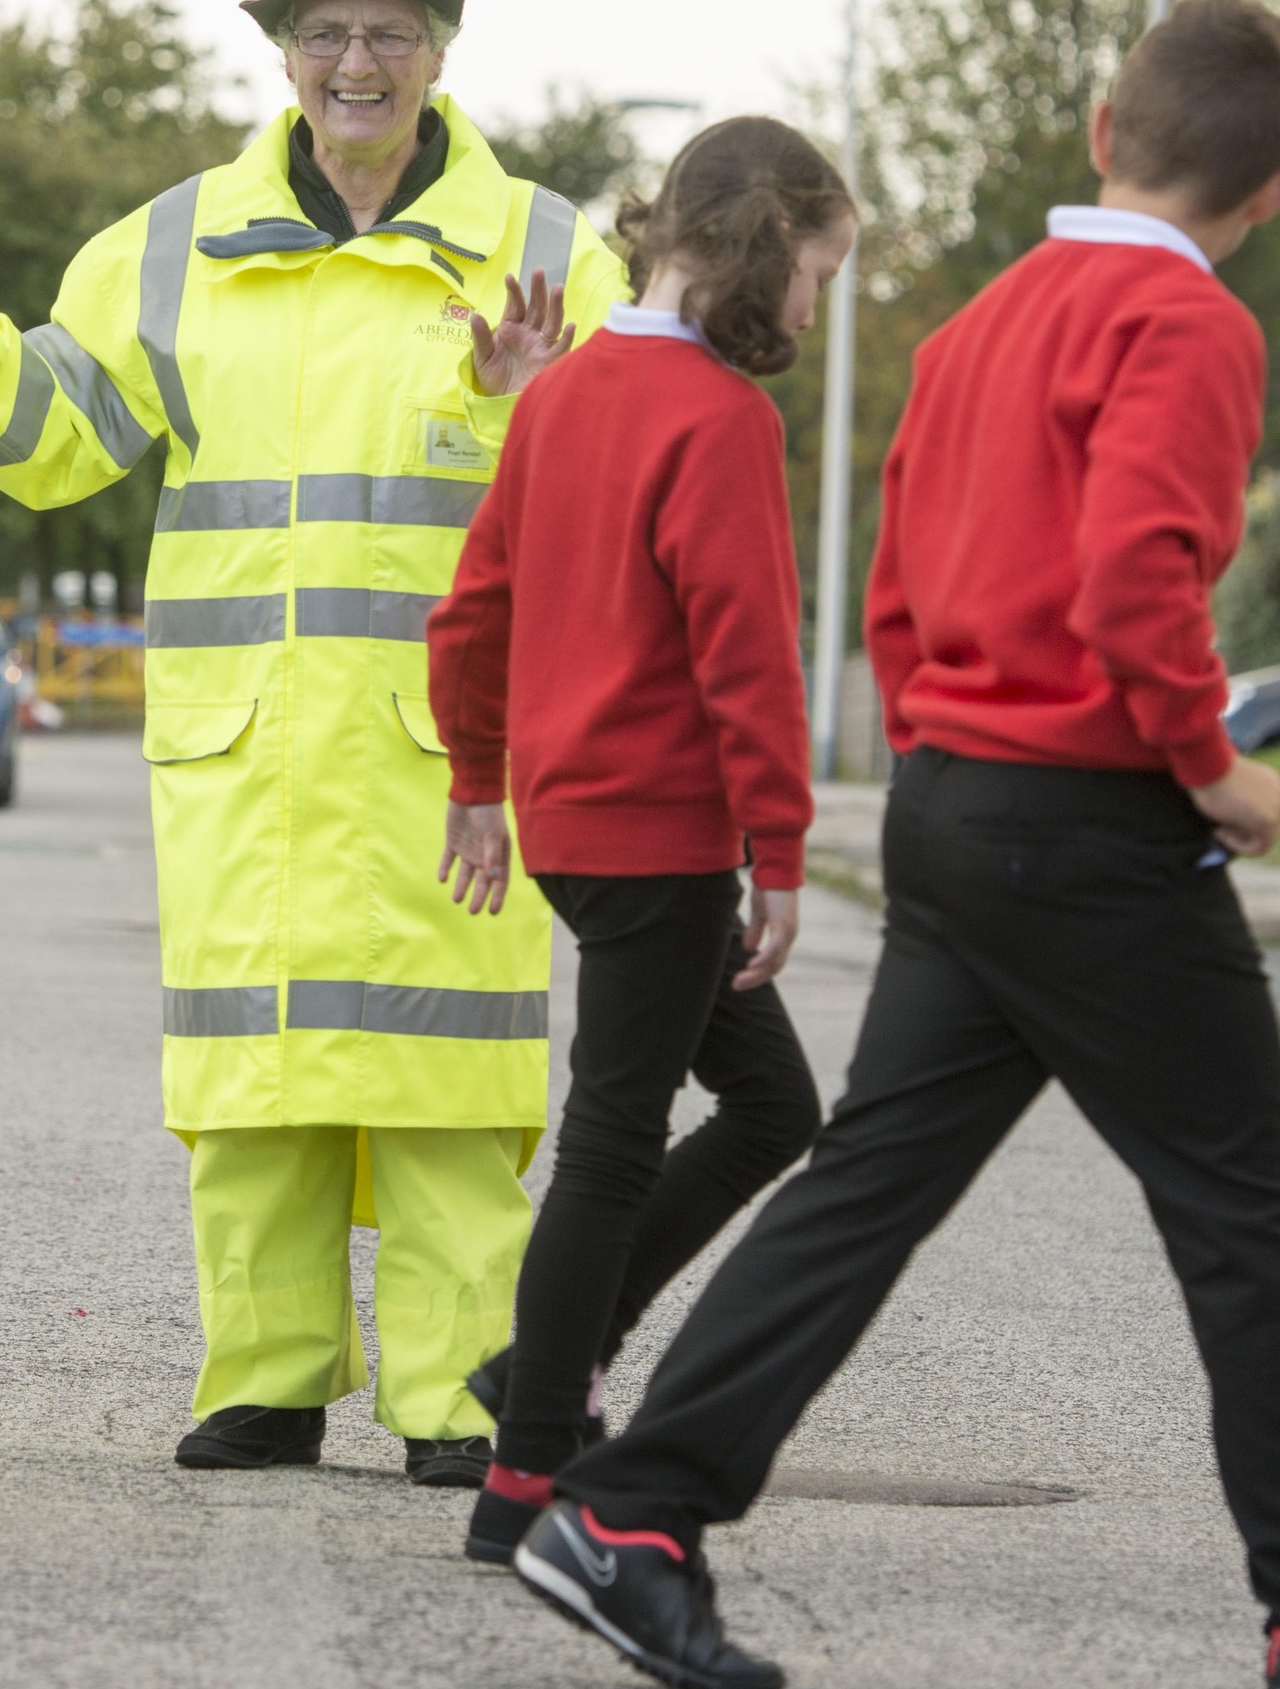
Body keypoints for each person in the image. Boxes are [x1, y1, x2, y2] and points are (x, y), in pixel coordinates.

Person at [509, 0, 1280, 1689]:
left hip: (949, 803)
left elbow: (896, 589)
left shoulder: (980, 321)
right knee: (1249, 1212)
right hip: (1093, 828)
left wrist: (945, 749)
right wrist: (1216, 770)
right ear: (1273, 186)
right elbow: (1138, 574)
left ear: (1092, 126)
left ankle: (625, 1517)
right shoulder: (1187, 325)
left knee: (863, 1186)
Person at [0, 0, 629, 1484]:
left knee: (446, 1091)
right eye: (327, 32)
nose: (358, 61)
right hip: (247, 756)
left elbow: (618, 502)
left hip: (452, 764)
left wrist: (522, 410)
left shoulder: (554, 255)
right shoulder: (172, 247)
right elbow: (50, 439)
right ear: (285, 50)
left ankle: (461, 1394)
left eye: (390, 31)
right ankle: (265, 1378)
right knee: (253, 1086)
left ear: (442, 47)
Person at [426, 117, 849, 1566]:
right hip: (662, 838)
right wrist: (779, 855)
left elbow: (470, 606)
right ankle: (529, 1476)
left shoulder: (559, 396)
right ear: (763, 242)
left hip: (568, 824)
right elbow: (750, 659)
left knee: (774, 1108)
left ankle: (534, 1377)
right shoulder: (720, 418)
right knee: (613, 1150)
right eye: (818, 269)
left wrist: (478, 777)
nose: (814, 305)